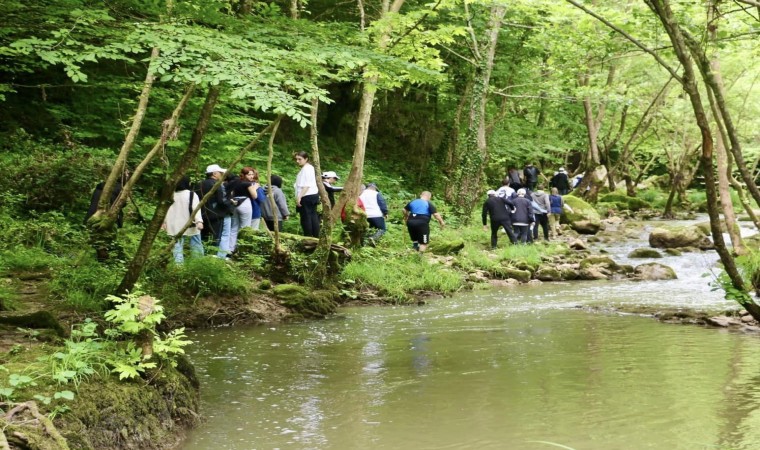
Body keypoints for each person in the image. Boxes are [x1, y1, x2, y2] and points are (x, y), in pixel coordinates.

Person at [163, 176, 204, 264]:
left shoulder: (171, 195)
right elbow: (196, 208)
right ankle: (198, 263)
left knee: (177, 245)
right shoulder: (191, 194)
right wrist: (199, 221)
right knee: (196, 242)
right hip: (190, 223)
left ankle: (178, 266)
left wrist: (164, 222)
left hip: (174, 224)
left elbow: (166, 210)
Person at [228, 167, 265, 253]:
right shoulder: (248, 184)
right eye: (249, 174)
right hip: (245, 204)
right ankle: (242, 250)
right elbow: (255, 196)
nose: (251, 176)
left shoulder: (235, 182)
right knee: (245, 228)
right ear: (244, 175)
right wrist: (255, 188)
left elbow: (231, 193)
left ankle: (230, 250)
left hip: (235, 203)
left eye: (252, 174)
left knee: (234, 227)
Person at [293, 151, 320, 237]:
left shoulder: (307, 169)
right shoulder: (307, 168)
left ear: (306, 159)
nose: (297, 161)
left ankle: (309, 236)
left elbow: (306, 185)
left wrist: (299, 197)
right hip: (311, 195)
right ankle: (315, 236)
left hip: (307, 195)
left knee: (306, 217)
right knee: (312, 216)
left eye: (300, 159)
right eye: (296, 159)